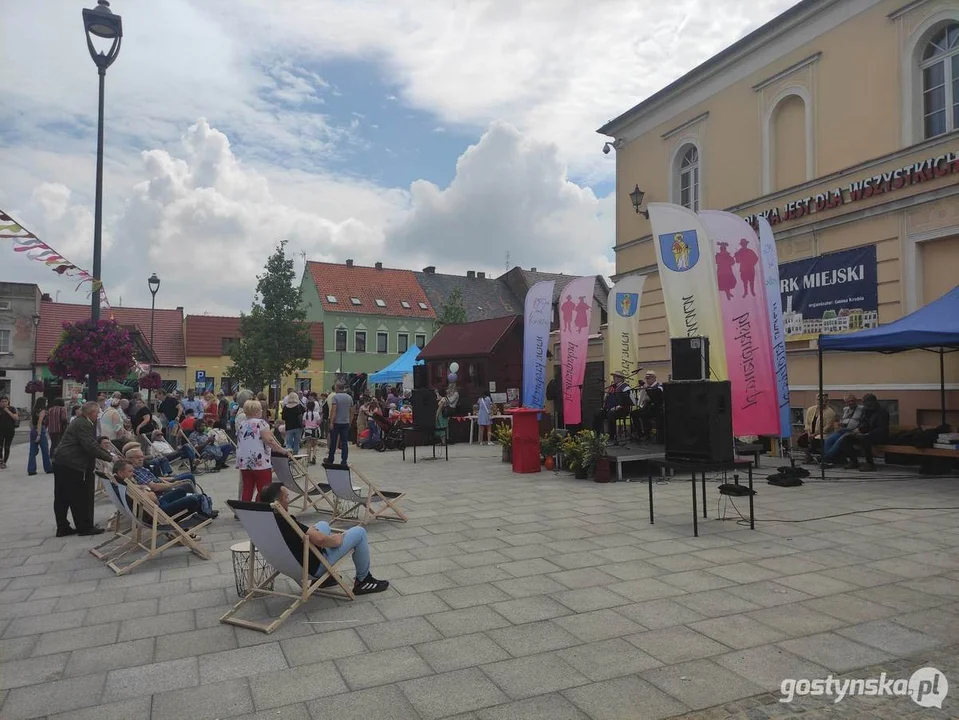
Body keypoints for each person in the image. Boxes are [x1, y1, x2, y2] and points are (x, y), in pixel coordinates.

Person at [259, 482, 389, 595]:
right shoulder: (285, 522)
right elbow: (320, 540)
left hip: (286, 564)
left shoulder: (264, 521)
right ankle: (363, 580)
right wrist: (336, 540)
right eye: (286, 497)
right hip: (311, 567)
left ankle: (326, 579)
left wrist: (317, 536)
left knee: (322, 524)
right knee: (359, 532)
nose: (288, 500)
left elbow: (306, 536)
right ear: (277, 502)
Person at [52, 401, 114, 536]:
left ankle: (63, 527)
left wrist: (106, 454)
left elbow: (92, 443)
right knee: (77, 496)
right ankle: (84, 527)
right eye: (97, 412)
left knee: (62, 496)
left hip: (62, 461)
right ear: (91, 413)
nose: (98, 415)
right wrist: (110, 458)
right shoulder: (83, 423)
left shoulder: (80, 421)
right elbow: (90, 445)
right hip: (70, 463)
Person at [114, 459, 212, 520]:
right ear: (120, 473)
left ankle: (204, 511)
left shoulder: (122, 484)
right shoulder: (126, 486)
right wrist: (147, 490)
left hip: (155, 507)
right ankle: (204, 514)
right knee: (193, 499)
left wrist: (145, 489)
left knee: (181, 491)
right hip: (156, 514)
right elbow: (153, 498)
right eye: (130, 471)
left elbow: (149, 493)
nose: (133, 473)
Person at [237, 399, 292, 503]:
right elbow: (270, 441)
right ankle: (262, 509)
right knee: (264, 489)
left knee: (247, 488)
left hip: (244, 461)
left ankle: (245, 510)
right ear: (257, 411)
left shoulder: (242, 424)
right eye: (261, 410)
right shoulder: (261, 423)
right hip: (259, 461)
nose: (262, 412)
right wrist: (283, 451)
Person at [834, 393, 889, 472]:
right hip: (866, 434)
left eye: (867, 403)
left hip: (879, 436)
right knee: (846, 438)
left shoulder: (882, 412)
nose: (866, 405)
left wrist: (868, 434)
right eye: (865, 403)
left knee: (865, 439)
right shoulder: (867, 411)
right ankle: (854, 461)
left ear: (873, 402)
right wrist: (859, 429)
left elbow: (881, 428)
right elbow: (864, 423)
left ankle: (870, 463)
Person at [124, 446, 197, 494]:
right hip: (162, 491)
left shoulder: (141, 468)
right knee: (188, 482)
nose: (140, 459)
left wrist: (171, 479)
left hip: (163, 484)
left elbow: (156, 479)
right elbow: (153, 487)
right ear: (129, 459)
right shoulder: (136, 472)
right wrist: (172, 484)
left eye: (142, 457)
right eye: (137, 457)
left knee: (188, 477)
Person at [823, 394, 863, 462]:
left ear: (856, 401)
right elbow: (843, 419)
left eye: (852, 401)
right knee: (829, 439)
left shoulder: (862, 409)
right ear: (846, 403)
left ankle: (826, 458)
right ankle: (833, 458)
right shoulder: (846, 409)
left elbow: (864, 421)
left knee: (840, 441)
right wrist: (840, 423)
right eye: (848, 401)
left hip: (853, 432)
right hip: (843, 430)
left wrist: (860, 428)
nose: (851, 403)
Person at [798, 394, 837, 463]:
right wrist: (809, 433)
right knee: (801, 440)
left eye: (824, 401)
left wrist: (814, 435)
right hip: (811, 433)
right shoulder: (810, 409)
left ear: (827, 401)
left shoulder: (830, 413)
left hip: (825, 434)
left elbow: (826, 428)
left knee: (816, 441)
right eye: (819, 400)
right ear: (816, 400)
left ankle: (823, 458)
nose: (822, 402)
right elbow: (807, 423)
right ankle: (809, 457)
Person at [326, 382, 354, 465]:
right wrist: (350, 421)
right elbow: (352, 410)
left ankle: (331, 459)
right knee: (344, 443)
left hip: (336, 422)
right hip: (345, 422)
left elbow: (334, 410)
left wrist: (331, 422)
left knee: (333, 442)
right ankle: (344, 460)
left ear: (337, 388)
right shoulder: (349, 398)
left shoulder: (335, 397)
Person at [604, 372, 633, 445]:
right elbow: (606, 399)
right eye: (614, 377)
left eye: (616, 377)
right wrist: (606, 395)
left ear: (621, 379)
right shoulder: (612, 387)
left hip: (622, 409)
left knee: (611, 414)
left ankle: (612, 435)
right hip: (611, 408)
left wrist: (617, 407)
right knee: (597, 414)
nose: (614, 378)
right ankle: (598, 435)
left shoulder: (625, 387)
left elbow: (628, 401)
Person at [28, 397, 52, 476]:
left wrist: (33, 429)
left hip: (33, 429)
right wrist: (39, 434)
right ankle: (48, 468)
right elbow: (40, 421)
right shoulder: (43, 411)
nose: (47, 403)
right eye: (46, 402)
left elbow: (31, 422)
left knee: (32, 451)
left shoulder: (34, 410)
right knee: (45, 450)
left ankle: (31, 469)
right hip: (40, 430)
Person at [0, 396, 18, 470]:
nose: (4, 403)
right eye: (2, 401)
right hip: (0, 430)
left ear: (8, 402)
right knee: (0, 446)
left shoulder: (12, 409)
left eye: (5, 401)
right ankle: (0, 461)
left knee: (7, 446)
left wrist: (8, 411)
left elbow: (16, 418)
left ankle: (4, 462)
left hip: (10, 430)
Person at [303, 400, 321, 465]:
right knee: (315, 444)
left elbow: (303, 423)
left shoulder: (305, 414)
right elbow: (319, 422)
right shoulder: (316, 414)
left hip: (307, 430)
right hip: (315, 430)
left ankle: (308, 459)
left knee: (308, 446)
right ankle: (314, 456)